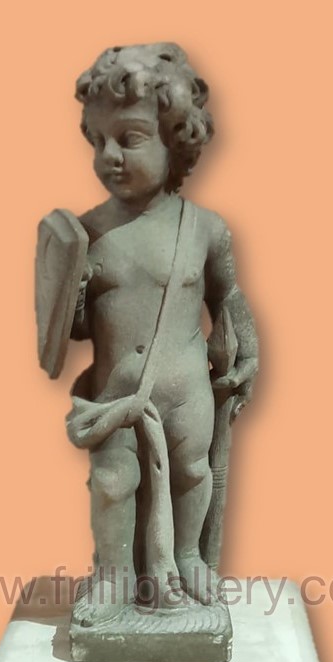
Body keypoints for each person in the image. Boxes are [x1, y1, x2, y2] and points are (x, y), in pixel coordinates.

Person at [68, 43, 258, 623]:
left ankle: (187, 557)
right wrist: (73, 294)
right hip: (116, 392)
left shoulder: (204, 230)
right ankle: (114, 574)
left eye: (129, 139)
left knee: (193, 472)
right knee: (112, 482)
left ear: (176, 139)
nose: (109, 156)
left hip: (186, 389)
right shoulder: (86, 234)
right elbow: (70, 328)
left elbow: (227, 296)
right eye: (98, 141)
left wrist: (247, 348)